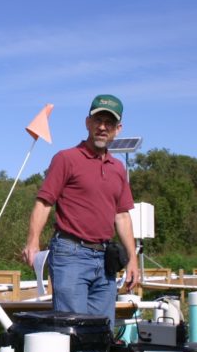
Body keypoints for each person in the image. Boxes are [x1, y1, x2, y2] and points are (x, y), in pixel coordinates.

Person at [21, 94, 140, 328]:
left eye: (109, 122)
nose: (103, 127)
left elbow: (122, 215)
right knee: (72, 331)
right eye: (98, 121)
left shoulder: (118, 168)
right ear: (88, 123)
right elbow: (44, 202)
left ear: (118, 128)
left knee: (100, 330)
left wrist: (132, 258)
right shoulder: (66, 159)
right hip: (70, 254)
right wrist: (33, 241)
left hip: (105, 259)